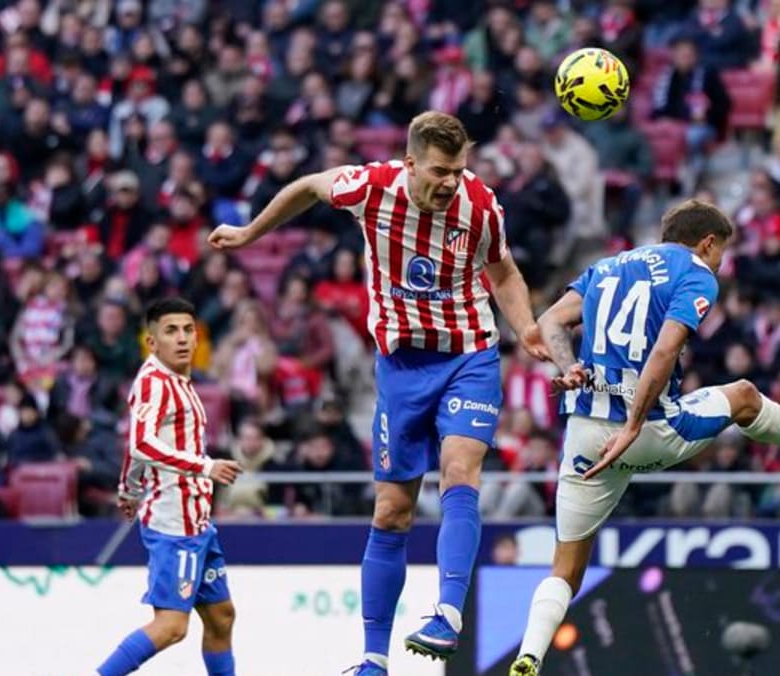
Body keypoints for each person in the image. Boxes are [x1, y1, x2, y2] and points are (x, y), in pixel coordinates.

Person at [207, 111, 548, 674]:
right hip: (400, 366)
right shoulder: (372, 187)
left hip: (469, 354)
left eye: (458, 172)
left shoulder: (480, 205)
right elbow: (309, 186)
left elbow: (504, 272)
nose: (449, 183)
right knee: (391, 512)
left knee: (460, 472)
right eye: (439, 171)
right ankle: (372, 660)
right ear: (410, 163)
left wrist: (525, 327)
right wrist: (250, 234)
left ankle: (447, 613)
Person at [509, 200, 780, 675]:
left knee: (566, 569)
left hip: (585, 436)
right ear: (707, 242)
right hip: (649, 430)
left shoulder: (609, 265)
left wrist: (567, 365)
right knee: (743, 395)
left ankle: (529, 655)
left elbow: (548, 321)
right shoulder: (696, 273)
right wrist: (635, 422)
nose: (719, 264)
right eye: (721, 253)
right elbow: (665, 348)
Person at [95, 298, 244, 676]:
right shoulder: (154, 383)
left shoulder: (179, 381)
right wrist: (206, 466)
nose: (181, 339)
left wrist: (128, 489)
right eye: (170, 331)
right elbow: (141, 443)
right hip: (174, 524)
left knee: (222, 616)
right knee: (172, 627)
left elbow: (138, 446)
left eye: (188, 330)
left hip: (198, 521)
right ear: (152, 341)